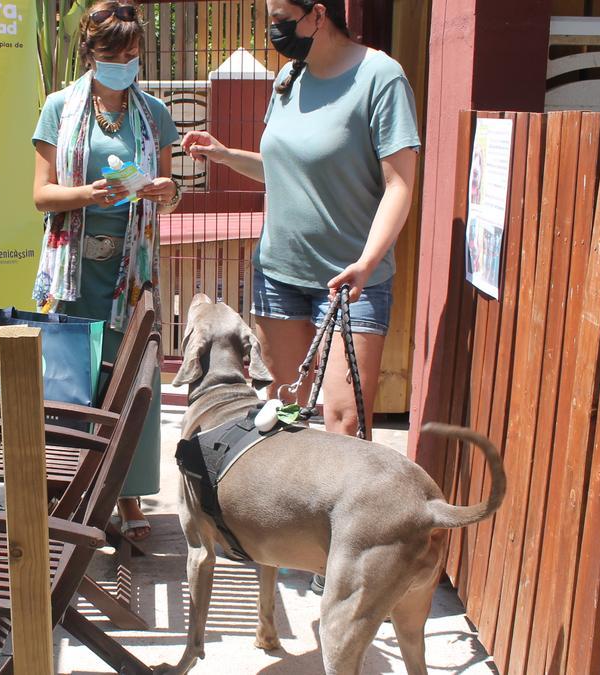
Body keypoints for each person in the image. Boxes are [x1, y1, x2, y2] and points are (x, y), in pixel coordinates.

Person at [183, 0, 419, 589]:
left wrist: (367, 261)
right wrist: (222, 155)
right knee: (287, 414)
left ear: (318, 15)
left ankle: (345, 559)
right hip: (279, 273)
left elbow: (400, 182)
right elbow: (283, 168)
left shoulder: (379, 77)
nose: (273, 28)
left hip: (352, 281)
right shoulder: (288, 79)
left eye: (281, 15)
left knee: (342, 420)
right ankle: (302, 539)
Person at [31, 0, 181, 542]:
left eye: (134, 55)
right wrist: (88, 193)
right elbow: (42, 195)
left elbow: (168, 195)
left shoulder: (153, 113)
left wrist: (168, 191)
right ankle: (69, 493)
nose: (126, 64)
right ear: (91, 54)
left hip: (132, 271)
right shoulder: (58, 108)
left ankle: (129, 497)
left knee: (131, 380)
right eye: (115, 55)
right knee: (74, 385)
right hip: (74, 271)